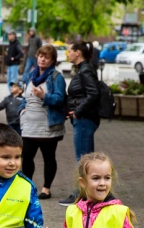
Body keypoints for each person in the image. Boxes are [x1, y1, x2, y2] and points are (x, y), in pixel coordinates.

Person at [19, 44, 66, 201]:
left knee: (48, 156)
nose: (43, 59)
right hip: (29, 125)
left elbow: (60, 98)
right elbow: (23, 97)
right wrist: (21, 111)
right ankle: (27, 186)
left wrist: (44, 96)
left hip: (48, 125)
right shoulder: (29, 76)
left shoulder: (56, 77)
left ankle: (46, 188)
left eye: (46, 57)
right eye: (41, 56)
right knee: (26, 156)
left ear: (52, 60)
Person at [60, 40, 100, 207]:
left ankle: (81, 194)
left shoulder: (85, 70)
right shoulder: (83, 69)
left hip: (84, 120)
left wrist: (78, 111)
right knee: (85, 158)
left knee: (83, 159)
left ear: (78, 53)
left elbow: (93, 93)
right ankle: (86, 193)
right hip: (83, 119)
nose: (67, 54)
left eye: (69, 51)